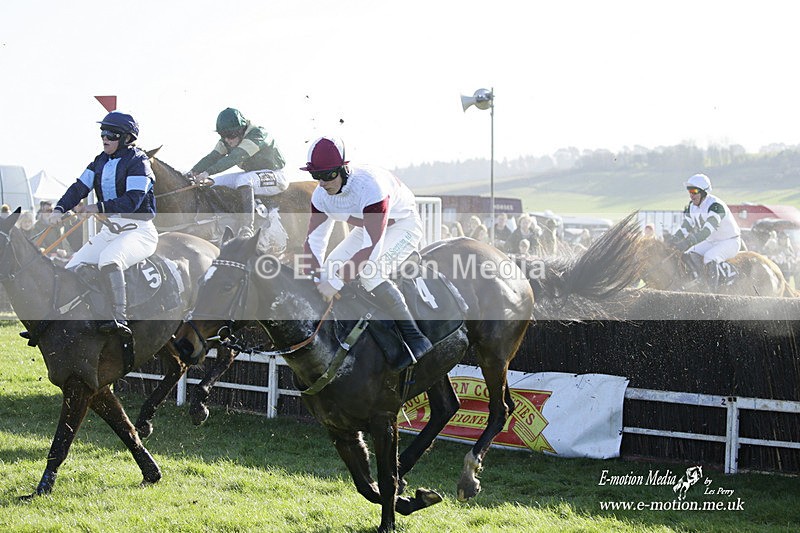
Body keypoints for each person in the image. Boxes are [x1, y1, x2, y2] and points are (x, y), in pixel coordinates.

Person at [300, 136, 432, 369]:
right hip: (367, 227)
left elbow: (372, 248)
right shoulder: (320, 197)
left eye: (329, 175)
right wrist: (315, 278)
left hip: (403, 225)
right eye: (316, 176)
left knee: (370, 272)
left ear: (344, 169)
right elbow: (314, 240)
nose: (322, 183)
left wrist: (337, 281)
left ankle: (415, 338)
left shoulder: (370, 187)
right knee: (329, 268)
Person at [44, 111, 157, 336]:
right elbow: (79, 188)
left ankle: (119, 319)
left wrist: (97, 208)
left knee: (109, 259)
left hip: (139, 232)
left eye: (111, 134)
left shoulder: (139, 162)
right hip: (110, 231)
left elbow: (133, 201)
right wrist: (59, 208)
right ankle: (56, 322)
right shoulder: (100, 161)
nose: (105, 137)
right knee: (71, 268)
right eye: (103, 133)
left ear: (126, 138)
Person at [187, 108, 288, 234]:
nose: (227, 140)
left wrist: (208, 171)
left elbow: (235, 157)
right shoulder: (227, 140)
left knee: (244, 180)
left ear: (241, 130)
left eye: (231, 136)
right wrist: (193, 172)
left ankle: (247, 228)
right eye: (223, 136)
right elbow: (212, 157)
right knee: (214, 182)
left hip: (276, 176)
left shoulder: (258, 134)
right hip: (252, 175)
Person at [668, 173, 741, 289]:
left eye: (694, 191)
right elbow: (685, 227)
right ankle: (700, 280)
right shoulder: (692, 206)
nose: (691, 195)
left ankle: (711, 293)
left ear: (703, 192)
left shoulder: (716, 206)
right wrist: (673, 240)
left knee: (710, 257)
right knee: (688, 254)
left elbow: (707, 231)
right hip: (712, 241)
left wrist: (688, 242)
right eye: (689, 191)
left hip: (730, 242)